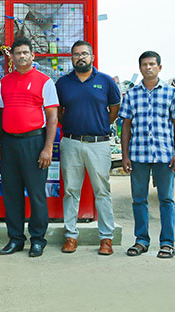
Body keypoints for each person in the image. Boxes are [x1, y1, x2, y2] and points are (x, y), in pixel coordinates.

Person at [55, 40, 121, 255]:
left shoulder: (106, 81)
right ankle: (71, 236)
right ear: (71, 58)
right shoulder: (63, 83)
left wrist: (99, 126)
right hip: (71, 142)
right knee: (71, 191)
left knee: (102, 191)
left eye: (84, 54)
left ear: (92, 57)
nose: (80, 57)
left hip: (98, 144)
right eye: (76, 54)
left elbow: (114, 110)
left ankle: (106, 239)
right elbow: (58, 113)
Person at [119, 50, 175, 259]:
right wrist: (125, 155)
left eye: (152, 64)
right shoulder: (131, 94)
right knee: (139, 200)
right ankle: (141, 240)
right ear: (139, 68)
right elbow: (126, 128)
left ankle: (167, 243)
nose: (148, 68)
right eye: (144, 65)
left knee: (166, 200)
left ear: (159, 67)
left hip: (164, 156)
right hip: (138, 155)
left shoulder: (170, 93)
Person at [0, 37, 59, 257]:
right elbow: (1, 114)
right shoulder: (4, 82)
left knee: (36, 194)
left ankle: (38, 240)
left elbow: (52, 118)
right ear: (11, 57)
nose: (21, 56)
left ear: (33, 55)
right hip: (10, 143)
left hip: (34, 142)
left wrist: (47, 148)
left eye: (25, 52)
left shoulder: (45, 81)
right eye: (17, 53)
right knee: (11, 194)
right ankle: (15, 239)